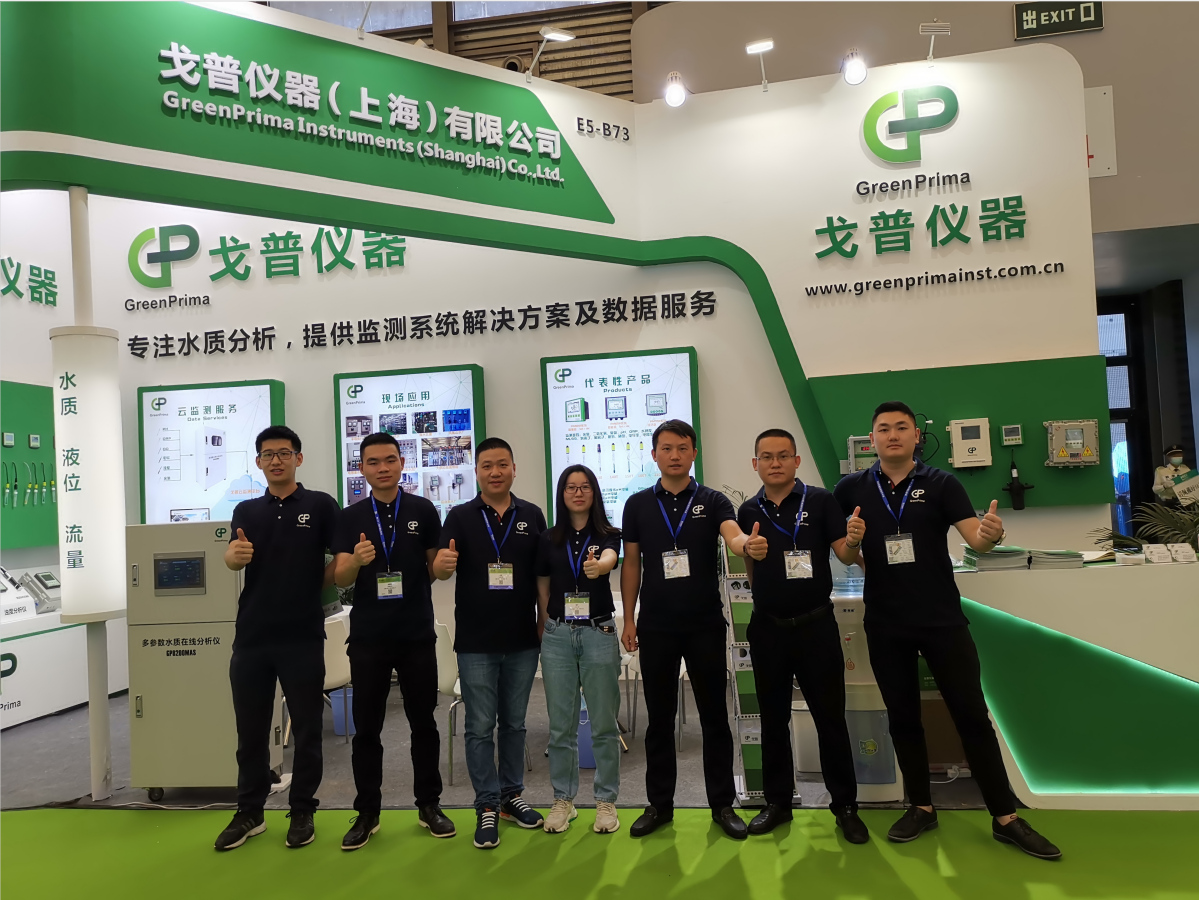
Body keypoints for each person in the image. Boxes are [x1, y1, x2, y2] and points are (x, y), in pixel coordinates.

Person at [833, 401, 1061, 860]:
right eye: (883, 429)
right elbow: (845, 555)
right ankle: (921, 806)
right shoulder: (850, 488)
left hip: (942, 620)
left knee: (972, 717)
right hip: (886, 623)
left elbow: (976, 539)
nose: (892, 435)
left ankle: (1005, 818)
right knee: (903, 719)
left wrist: (992, 534)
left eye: (901, 427)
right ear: (871, 439)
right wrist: (853, 543)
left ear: (916, 436)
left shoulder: (941, 483)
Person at [620, 419, 768, 840]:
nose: (675, 455)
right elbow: (632, 565)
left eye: (682, 448)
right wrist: (629, 618)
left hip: (704, 624)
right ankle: (659, 805)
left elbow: (732, 536)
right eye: (666, 448)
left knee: (714, 718)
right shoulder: (637, 505)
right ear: (654, 455)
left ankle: (722, 805)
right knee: (659, 720)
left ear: (694, 453)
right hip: (656, 626)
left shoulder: (712, 500)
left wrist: (745, 545)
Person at [737, 429, 869, 842]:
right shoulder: (748, 509)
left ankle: (845, 806)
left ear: (796, 461)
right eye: (766, 456)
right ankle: (778, 803)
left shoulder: (821, 501)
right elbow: (750, 568)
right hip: (768, 628)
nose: (775, 463)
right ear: (755, 464)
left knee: (830, 719)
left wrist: (853, 541)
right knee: (773, 721)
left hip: (816, 626)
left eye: (783, 455)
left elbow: (844, 553)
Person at [215, 426, 339, 851]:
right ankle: (249, 811)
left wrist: (313, 583)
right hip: (252, 636)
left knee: (307, 728)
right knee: (249, 731)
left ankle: (302, 809)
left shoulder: (320, 505)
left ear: (298, 459)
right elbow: (234, 557)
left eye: (284, 453)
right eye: (268, 454)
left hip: (302, 634)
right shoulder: (247, 511)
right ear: (258, 463)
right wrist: (232, 557)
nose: (276, 460)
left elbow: (340, 560)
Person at [332, 432, 455, 849]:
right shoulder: (350, 516)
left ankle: (429, 805)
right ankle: (367, 812)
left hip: (416, 633)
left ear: (402, 463)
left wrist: (445, 565)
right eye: (373, 462)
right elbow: (340, 578)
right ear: (361, 468)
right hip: (369, 637)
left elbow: (436, 569)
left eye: (389, 460)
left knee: (424, 724)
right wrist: (356, 560)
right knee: (367, 729)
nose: (382, 468)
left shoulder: (422, 509)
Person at [433, 437, 547, 849]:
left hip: (521, 639)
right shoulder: (460, 516)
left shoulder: (532, 515)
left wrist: (544, 623)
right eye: (487, 465)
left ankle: (511, 796)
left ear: (514, 468)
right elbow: (441, 570)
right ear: (477, 471)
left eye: (502, 464)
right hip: (476, 642)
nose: (495, 472)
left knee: (515, 724)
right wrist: (441, 565)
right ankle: (486, 803)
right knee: (479, 727)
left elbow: (542, 576)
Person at [536, 465, 623, 835]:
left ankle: (606, 801)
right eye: (571, 487)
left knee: (603, 724)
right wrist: (544, 622)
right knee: (561, 727)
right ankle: (564, 800)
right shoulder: (548, 538)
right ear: (562, 494)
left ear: (594, 492)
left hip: (598, 632)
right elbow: (542, 584)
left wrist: (598, 567)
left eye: (585, 486)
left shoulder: (609, 534)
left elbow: (610, 558)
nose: (578, 492)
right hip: (558, 634)